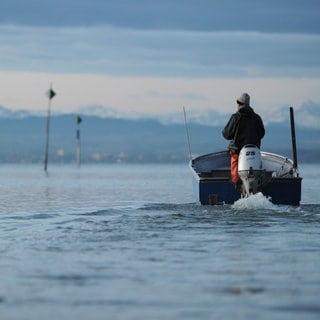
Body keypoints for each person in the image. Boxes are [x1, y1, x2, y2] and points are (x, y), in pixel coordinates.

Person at [222, 93, 265, 185]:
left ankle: (235, 183)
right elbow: (262, 134)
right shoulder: (257, 118)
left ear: (239, 104)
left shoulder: (235, 117)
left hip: (237, 152)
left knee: (234, 160)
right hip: (254, 151)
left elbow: (226, 134)